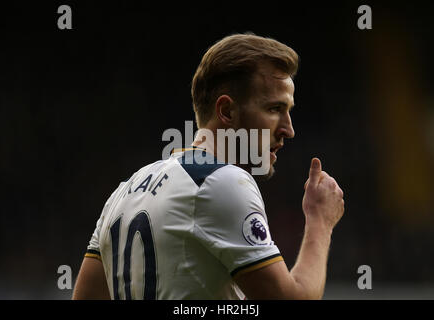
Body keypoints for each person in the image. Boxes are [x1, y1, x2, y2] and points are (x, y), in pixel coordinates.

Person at [72, 33, 345, 300]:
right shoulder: (221, 181)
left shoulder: (124, 191)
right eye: (274, 109)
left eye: (288, 111)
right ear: (226, 111)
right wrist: (320, 220)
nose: (289, 129)